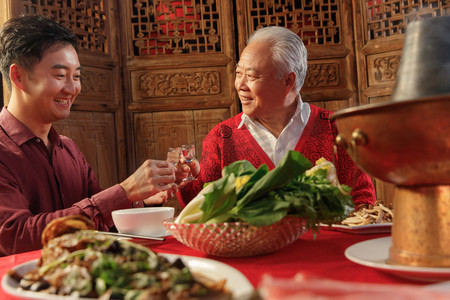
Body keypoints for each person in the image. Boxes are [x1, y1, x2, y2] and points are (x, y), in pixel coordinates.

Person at [0, 15, 188, 256]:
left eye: (76, 76)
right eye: (60, 75)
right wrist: (125, 191)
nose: (72, 88)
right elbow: (14, 237)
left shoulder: (68, 149)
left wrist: (144, 196)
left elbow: (99, 219)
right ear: (19, 77)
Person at [177, 26, 376, 208]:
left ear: (288, 81)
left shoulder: (338, 129)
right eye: (239, 73)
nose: (240, 85)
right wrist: (186, 178)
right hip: (252, 248)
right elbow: (202, 211)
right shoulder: (221, 137)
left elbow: (363, 201)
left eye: (252, 76)